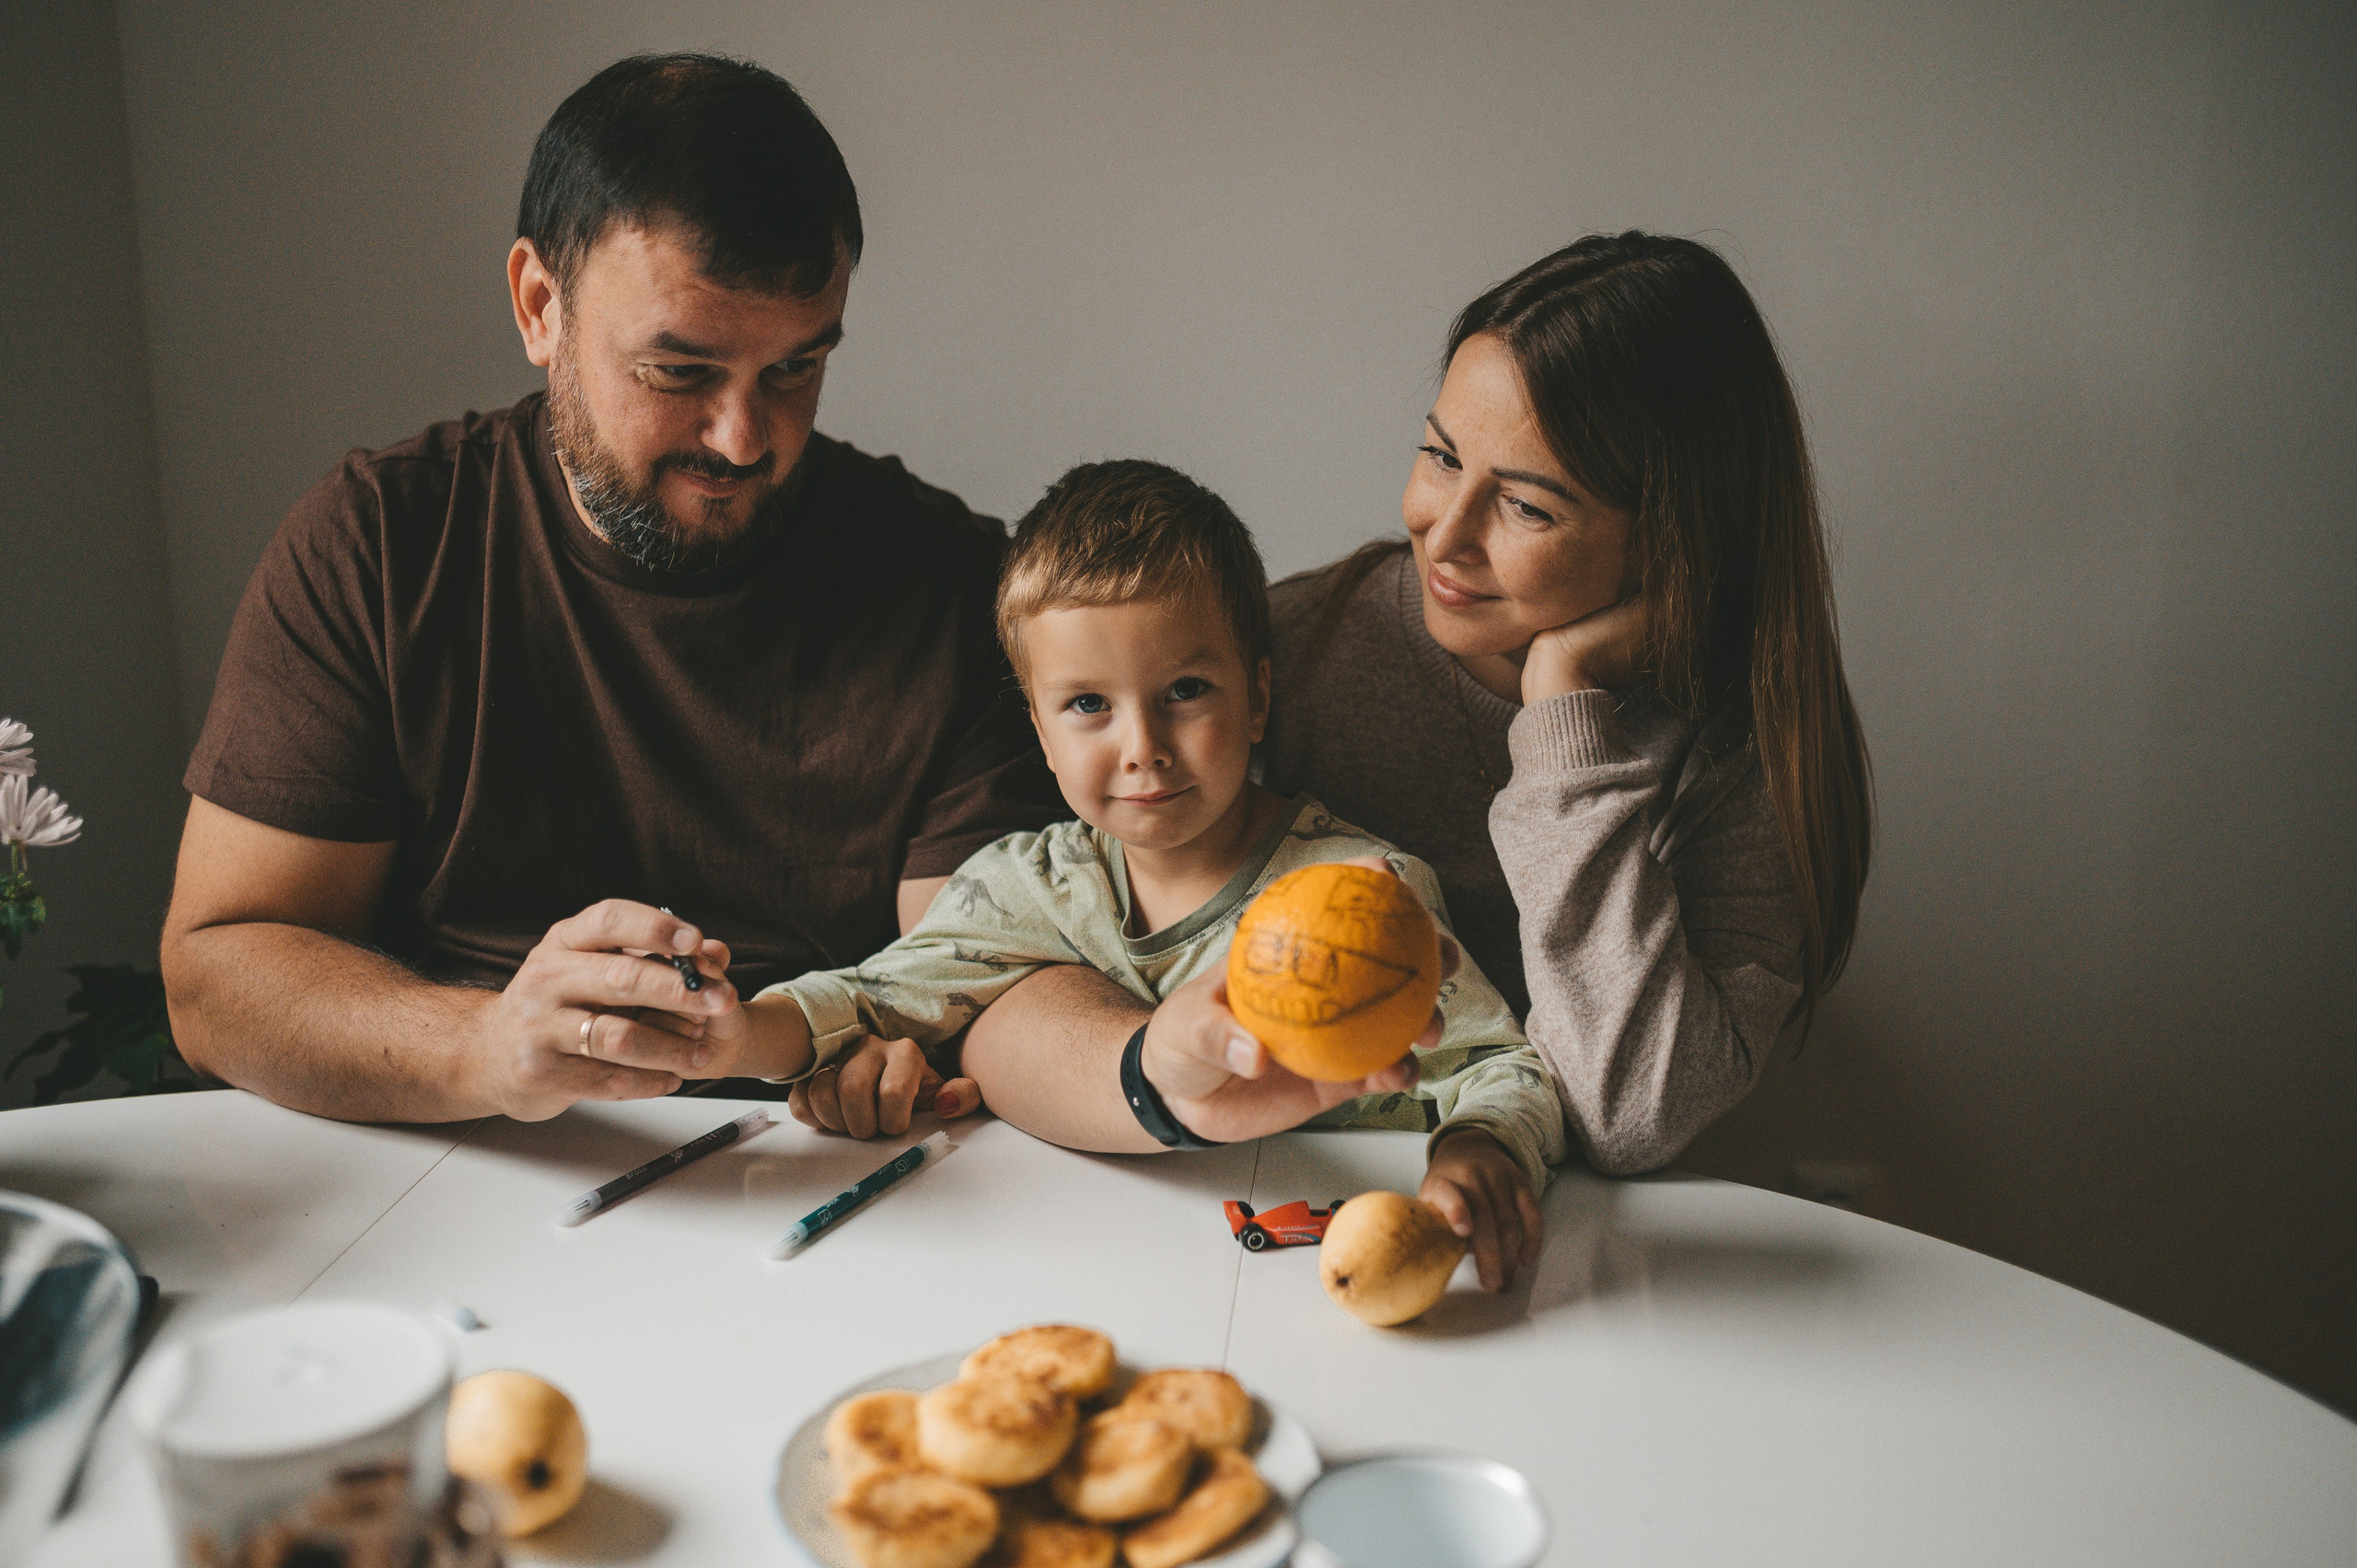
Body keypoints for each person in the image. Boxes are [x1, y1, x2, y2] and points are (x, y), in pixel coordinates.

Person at [159, 54, 1062, 1126]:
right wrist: (485, 1044)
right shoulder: (383, 544)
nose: (743, 438)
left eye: (794, 370)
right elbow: (215, 974)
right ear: (541, 305)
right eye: (678, 372)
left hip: (819, 1169)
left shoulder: (951, 586)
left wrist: (906, 1045)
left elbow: (967, 972)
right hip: (463, 1159)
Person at [952, 232, 1873, 1221]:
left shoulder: (1741, 752)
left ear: (1671, 535)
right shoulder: (1280, 651)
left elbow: (1626, 1116)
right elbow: (1054, 926)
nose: (1443, 527)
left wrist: (1565, 718)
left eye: (1525, 505)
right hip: (1272, 1195)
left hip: (1579, 1237)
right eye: (1439, 454)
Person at [686, 460, 1565, 1253]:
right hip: (1119, 1266)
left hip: (1335, 1255)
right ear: (1037, 727)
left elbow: (1499, 1069)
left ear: (1258, 697)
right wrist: (729, 1037)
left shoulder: (1361, 893)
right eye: (1088, 706)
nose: (1143, 746)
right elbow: (870, 997)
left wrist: (1478, 1152)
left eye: (1186, 691)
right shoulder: (1020, 888)